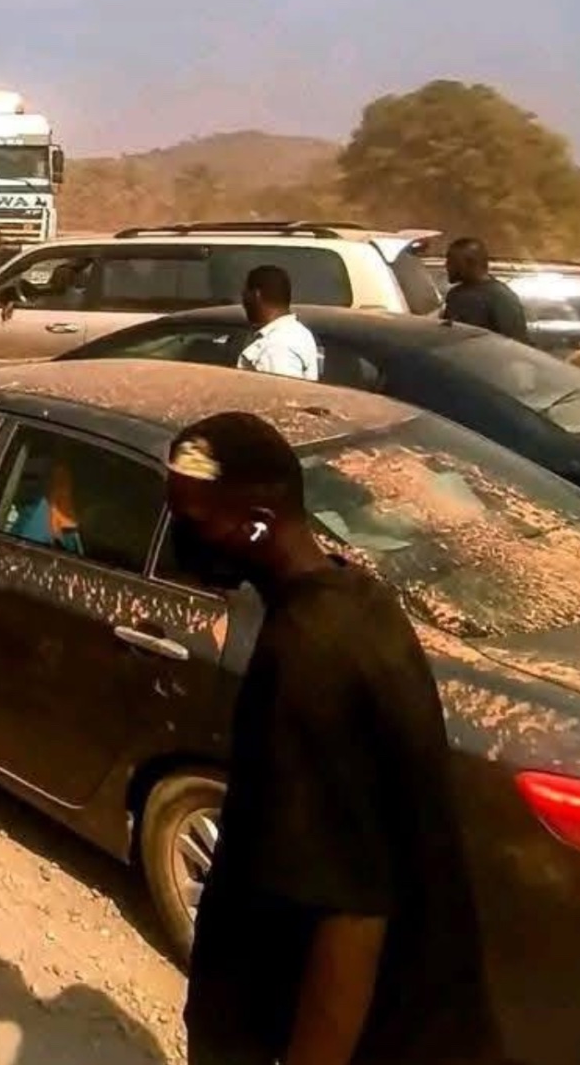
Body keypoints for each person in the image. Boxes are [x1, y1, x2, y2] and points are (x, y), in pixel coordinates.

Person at [164, 411, 499, 1065]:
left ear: (257, 521)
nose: (179, 535)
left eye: (192, 519)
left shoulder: (307, 661)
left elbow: (348, 912)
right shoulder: (359, 599)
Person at [236, 265, 321, 380]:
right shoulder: (298, 332)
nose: (243, 300)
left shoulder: (276, 347)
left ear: (256, 295)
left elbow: (280, 391)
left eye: (245, 293)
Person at [441, 237, 530, 342]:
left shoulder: (500, 297)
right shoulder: (455, 294)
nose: (446, 266)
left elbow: (515, 343)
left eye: (451, 261)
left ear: (470, 263)